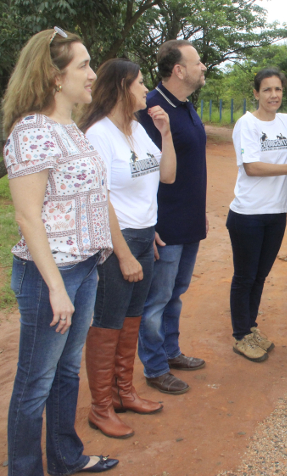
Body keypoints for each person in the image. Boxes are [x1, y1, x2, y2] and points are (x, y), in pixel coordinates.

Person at [2, 28, 118, 474]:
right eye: (84, 66)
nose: (93, 74)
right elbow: (28, 217)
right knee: (34, 385)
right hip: (50, 276)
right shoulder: (32, 133)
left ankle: (65, 458)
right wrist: (56, 288)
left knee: (67, 374)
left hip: (84, 267)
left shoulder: (69, 125)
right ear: (54, 77)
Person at [78, 58, 177, 438]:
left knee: (131, 320)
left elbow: (165, 176)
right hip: (114, 242)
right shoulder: (97, 134)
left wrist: (166, 133)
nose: (146, 91)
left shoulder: (137, 128)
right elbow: (99, 198)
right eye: (139, 83)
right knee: (107, 323)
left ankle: (123, 392)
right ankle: (100, 408)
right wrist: (122, 252)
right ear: (121, 87)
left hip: (142, 235)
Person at [228, 68, 287, 362]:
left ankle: (250, 327)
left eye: (278, 90)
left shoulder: (285, 122)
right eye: (267, 90)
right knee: (245, 277)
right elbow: (252, 167)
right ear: (256, 93)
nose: (274, 95)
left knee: (260, 276)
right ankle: (240, 336)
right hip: (248, 214)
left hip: (275, 214)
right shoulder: (247, 124)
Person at [137, 40, 208, 395]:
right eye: (197, 62)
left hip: (189, 221)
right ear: (178, 70)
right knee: (156, 300)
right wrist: (149, 226)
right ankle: (154, 366)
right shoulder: (151, 108)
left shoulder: (185, 105)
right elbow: (144, 172)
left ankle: (170, 350)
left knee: (176, 293)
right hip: (164, 226)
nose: (203, 67)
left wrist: (198, 215)